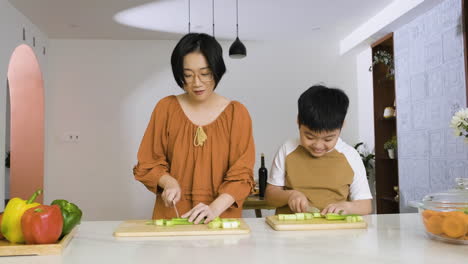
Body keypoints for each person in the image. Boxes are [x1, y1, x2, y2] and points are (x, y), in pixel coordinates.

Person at [133, 33, 255, 224]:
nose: (196, 83)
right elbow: (148, 163)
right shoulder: (166, 108)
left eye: (205, 74)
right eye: (188, 75)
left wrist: (213, 209)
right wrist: (169, 182)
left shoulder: (236, 113)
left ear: (217, 70)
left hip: (220, 218)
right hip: (173, 216)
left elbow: (242, 175)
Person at [265, 85, 372, 215]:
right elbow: (270, 196)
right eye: (309, 137)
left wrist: (348, 207)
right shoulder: (288, 149)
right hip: (291, 230)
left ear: (342, 125)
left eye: (328, 139)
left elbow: (365, 206)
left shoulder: (350, 155)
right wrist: (290, 196)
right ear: (298, 121)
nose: (318, 145)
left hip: (334, 232)